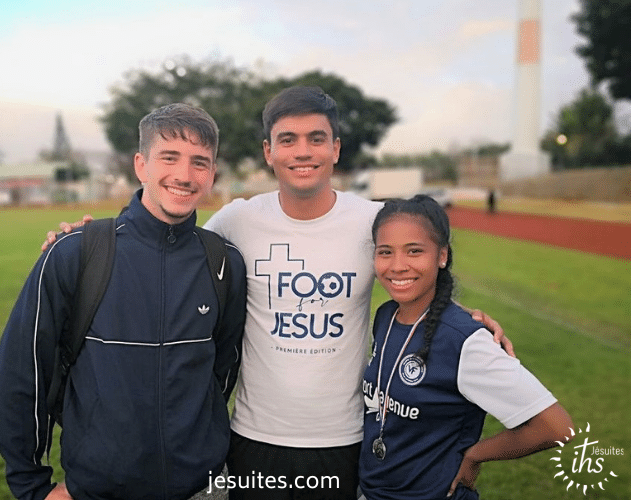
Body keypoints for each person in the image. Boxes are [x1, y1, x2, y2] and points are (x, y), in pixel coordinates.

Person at [44, 86, 512, 500]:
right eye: (288, 140)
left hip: (345, 439)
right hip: (252, 439)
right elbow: (166, 251)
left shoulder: (372, 220)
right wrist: (88, 236)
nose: (302, 151)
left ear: (336, 150)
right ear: (269, 151)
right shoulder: (236, 220)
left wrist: (461, 320)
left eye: (316, 139)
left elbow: (414, 270)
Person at [0, 103, 247, 500]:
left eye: (200, 162)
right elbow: (21, 373)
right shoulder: (76, 253)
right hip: (99, 489)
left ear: (212, 174)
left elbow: (221, 372)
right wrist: (31, 485)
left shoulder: (224, 262)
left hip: (204, 488)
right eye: (169, 157)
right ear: (141, 165)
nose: (184, 174)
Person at [359, 195, 573, 500]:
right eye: (385, 252)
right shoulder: (386, 316)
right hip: (374, 491)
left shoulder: (466, 341)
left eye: (414, 251)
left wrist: (475, 455)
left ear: (442, 256)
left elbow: (556, 427)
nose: (397, 266)